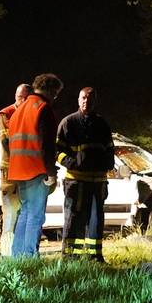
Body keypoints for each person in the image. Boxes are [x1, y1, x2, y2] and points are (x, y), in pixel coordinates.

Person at [6, 74, 64, 257]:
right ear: (49, 89)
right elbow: (46, 144)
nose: (55, 97)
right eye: (55, 93)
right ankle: (30, 256)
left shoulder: (18, 110)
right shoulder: (43, 108)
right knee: (36, 215)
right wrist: (50, 171)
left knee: (25, 212)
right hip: (36, 169)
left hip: (18, 170)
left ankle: (18, 255)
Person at [56, 87, 115, 261]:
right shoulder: (68, 123)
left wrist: (109, 164)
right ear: (78, 99)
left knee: (96, 221)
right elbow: (57, 150)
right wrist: (72, 163)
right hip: (76, 182)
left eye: (89, 98)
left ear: (95, 101)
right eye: (83, 97)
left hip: (98, 182)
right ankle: (70, 257)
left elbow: (109, 149)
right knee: (74, 219)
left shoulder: (102, 124)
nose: (86, 101)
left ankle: (95, 257)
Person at [0, 84, 32, 256]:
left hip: (26, 170)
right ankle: (8, 252)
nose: (20, 100)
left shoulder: (30, 112)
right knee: (10, 211)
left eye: (23, 97)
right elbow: (6, 142)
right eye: (18, 96)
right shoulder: (6, 114)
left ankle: (22, 250)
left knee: (25, 210)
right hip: (10, 170)